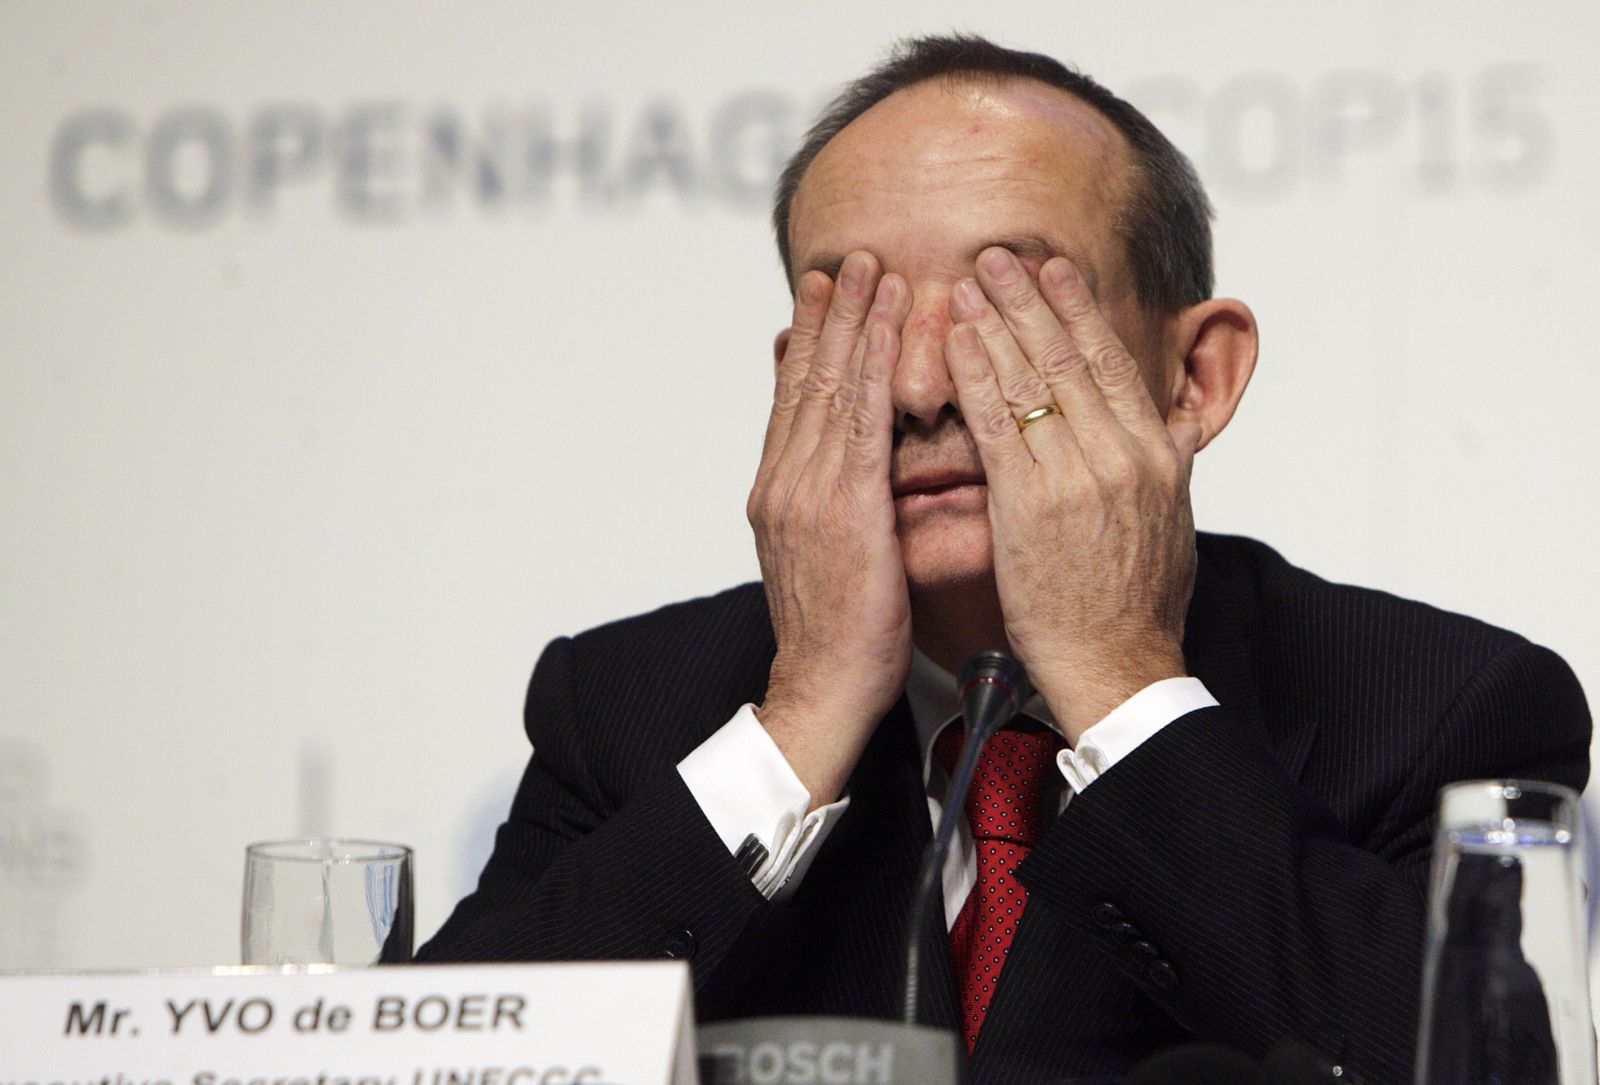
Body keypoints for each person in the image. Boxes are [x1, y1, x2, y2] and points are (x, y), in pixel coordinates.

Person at [418, 35, 1590, 1084]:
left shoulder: (1439, 705)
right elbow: (413, 1064)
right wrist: (803, 714)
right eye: (860, 317)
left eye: (1005, 302)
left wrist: (1116, 680)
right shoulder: (627, 704)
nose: (922, 390)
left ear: (1196, 377)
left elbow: (1477, 1065)